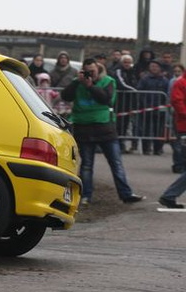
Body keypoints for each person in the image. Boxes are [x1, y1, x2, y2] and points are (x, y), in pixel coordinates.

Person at [59, 58, 144, 206]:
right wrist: (76, 82)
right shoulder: (77, 82)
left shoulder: (108, 81)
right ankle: (85, 196)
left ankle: (126, 194)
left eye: (92, 71)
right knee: (86, 165)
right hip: (84, 129)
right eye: (87, 71)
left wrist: (90, 86)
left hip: (105, 129)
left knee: (116, 163)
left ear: (98, 70)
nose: (89, 74)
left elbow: (106, 99)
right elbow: (66, 96)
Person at [137, 60, 169, 155]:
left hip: (160, 108)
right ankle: (146, 148)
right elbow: (139, 91)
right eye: (152, 66)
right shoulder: (145, 79)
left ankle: (158, 148)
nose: (154, 68)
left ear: (160, 68)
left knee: (159, 129)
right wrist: (143, 103)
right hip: (146, 107)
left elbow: (167, 93)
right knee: (146, 129)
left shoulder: (164, 80)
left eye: (156, 66)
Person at [114, 54, 138, 153]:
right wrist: (134, 90)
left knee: (125, 124)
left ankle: (122, 144)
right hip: (119, 102)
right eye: (125, 62)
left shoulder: (133, 72)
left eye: (129, 62)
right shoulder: (118, 71)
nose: (127, 64)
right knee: (118, 124)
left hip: (129, 102)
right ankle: (117, 144)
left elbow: (136, 82)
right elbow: (121, 84)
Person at [169, 64, 186, 174]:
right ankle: (179, 165)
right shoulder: (180, 83)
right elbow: (177, 101)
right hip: (183, 121)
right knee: (182, 145)